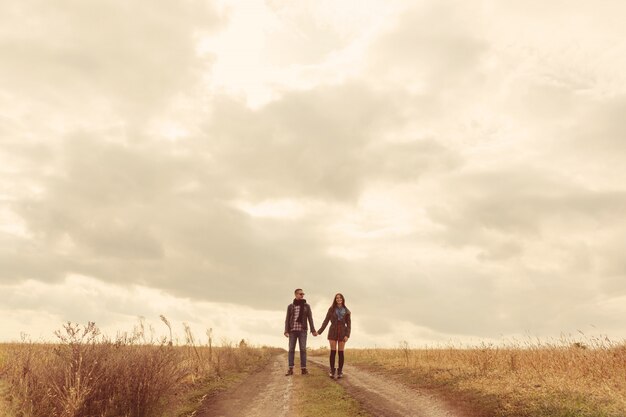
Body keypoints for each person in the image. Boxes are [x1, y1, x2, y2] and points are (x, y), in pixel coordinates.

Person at [317, 293, 351, 379]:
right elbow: (326, 321)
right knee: (333, 351)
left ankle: (340, 371)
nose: (338, 299)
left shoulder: (347, 311)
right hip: (333, 331)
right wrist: (319, 331)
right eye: (337, 298)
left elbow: (349, 325)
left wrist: (347, 335)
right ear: (335, 300)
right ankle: (332, 370)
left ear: (343, 299)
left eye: (340, 298)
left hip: (343, 332)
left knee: (341, 352)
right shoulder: (331, 309)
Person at [284, 288, 317, 375]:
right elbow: (287, 319)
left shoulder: (306, 306)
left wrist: (313, 330)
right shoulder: (290, 306)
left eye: (303, 294)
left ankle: (303, 369)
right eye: (300, 294)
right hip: (292, 331)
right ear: (296, 295)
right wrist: (286, 331)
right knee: (291, 349)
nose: (302, 295)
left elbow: (310, 318)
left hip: (302, 331)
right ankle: (290, 369)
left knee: (303, 349)